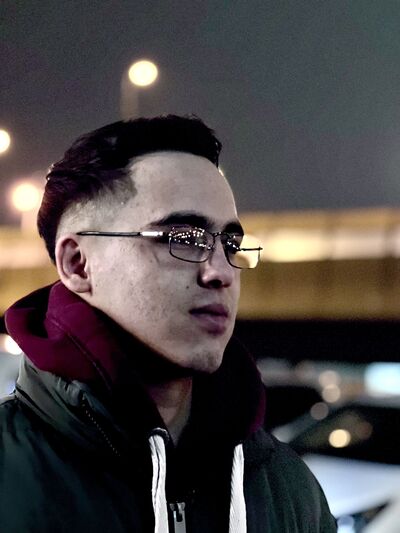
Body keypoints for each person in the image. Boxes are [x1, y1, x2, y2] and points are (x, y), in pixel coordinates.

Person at [1, 115, 336, 532]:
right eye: (183, 239)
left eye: (230, 244)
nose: (221, 272)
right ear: (78, 264)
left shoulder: (287, 488)